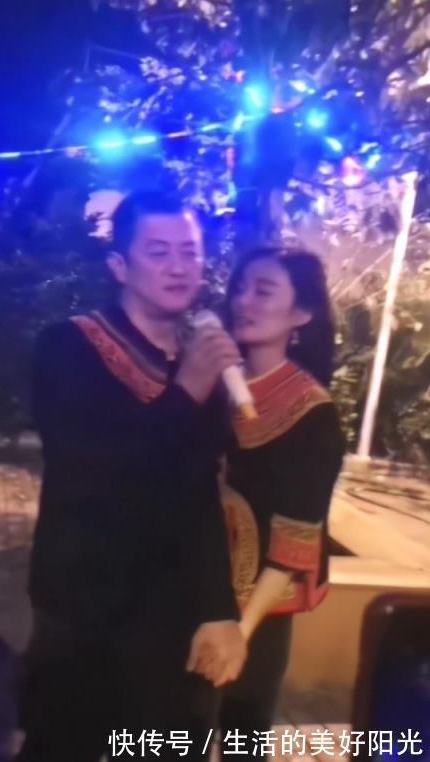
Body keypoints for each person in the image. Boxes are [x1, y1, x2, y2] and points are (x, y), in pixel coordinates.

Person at [16, 191, 247, 762]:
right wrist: (187, 390)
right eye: (159, 252)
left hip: (172, 613)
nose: (178, 266)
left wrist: (219, 608)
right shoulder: (68, 346)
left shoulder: (198, 356)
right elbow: (94, 475)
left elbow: (199, 493)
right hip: (85, 608)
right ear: (120, 265)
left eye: (190, 253)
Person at [218, 248, 344, 754]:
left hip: (258, 610)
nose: (243, 301)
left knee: (241, 738)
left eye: (263, 291)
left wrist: (241, 632)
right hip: (189, 591)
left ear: (302, 314)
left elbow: (295, 540)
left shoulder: (312, 413)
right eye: (240, 288)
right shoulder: (214, 385)